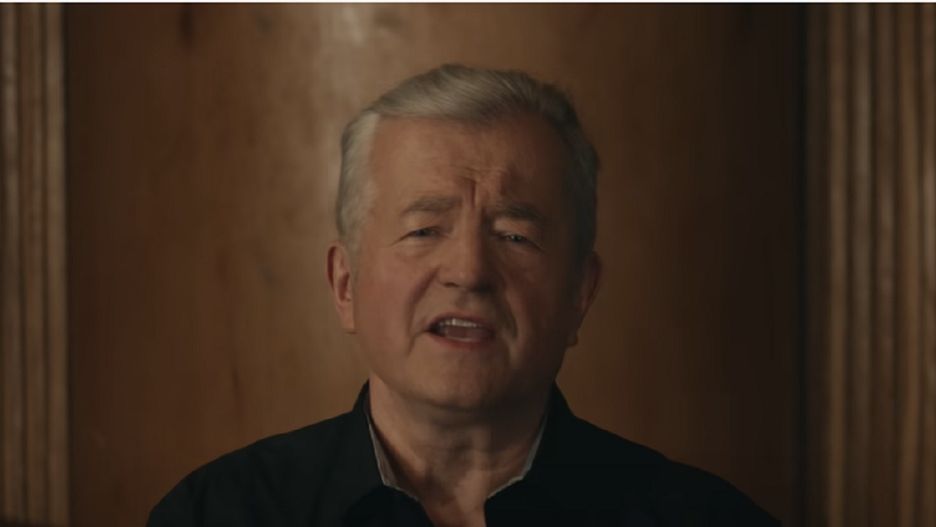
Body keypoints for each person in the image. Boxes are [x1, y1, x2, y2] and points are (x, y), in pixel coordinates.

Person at [148, 64, 778, 527]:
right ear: (345, 285)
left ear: (580, 293)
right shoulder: (218, 514)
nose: (470, 271)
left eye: (515, 236)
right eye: (424, 230)